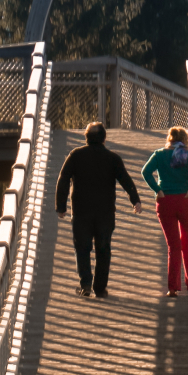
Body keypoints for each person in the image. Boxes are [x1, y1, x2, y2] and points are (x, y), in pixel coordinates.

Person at [55, 122, 141, 298]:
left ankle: (86, 284)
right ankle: (100, 288)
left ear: (86, 137)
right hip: (105, 212)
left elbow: (63, 179)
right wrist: (135, 200)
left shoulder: (75, 155)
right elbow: (126, 180)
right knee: (103, 249)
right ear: (104, 138)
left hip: (81, 212)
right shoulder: (113, 158)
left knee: (82, 248)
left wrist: (61, 206)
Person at [141, 126, 188, 296]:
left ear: (169, 139)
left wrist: (157, 190)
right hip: (186, 200)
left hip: (166, 202)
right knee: (187, 242)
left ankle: (172, 287)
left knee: (173, 245)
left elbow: (145, 172)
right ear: (184, 140)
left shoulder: (159, 154)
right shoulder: (187, 154)